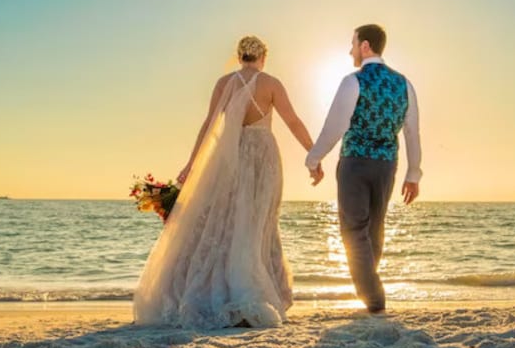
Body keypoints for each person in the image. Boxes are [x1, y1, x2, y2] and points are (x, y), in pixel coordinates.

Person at [133, 35, 322, 329]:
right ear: (263, 57)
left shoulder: (224, 83)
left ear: (239, 56)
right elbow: (293, 121)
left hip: (230, 158)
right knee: (259, 224)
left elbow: (209, 126)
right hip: (263, 158)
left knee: (227, 221)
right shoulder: (271, 83)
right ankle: (254, 290)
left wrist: (191, 165)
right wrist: (314, 156)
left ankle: (221, 288)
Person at [306, 24, 422, 313]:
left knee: (353, 229)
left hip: (355, 163)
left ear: (366, 46)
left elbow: (334, 126)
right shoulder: (404, 83)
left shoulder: (352, 81)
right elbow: (412, 132)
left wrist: (313, 159)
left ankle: (373, 296)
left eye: (353, 44)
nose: (350, 50)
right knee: (374, 228)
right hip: (387, 165)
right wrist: (413, 173)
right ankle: (371, 293)